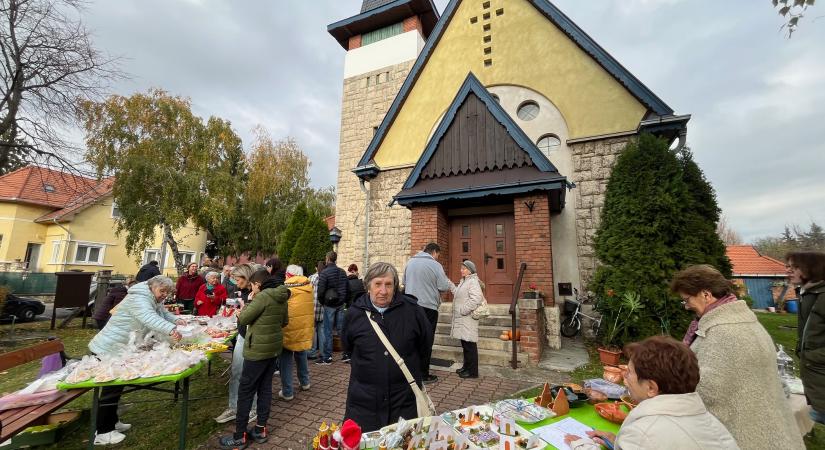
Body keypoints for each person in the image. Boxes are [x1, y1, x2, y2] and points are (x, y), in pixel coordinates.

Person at [671, 264, 804, 450]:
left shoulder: (723, 333)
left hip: (745, 438)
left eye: (687, 300)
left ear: (706, 295)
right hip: (771, 430)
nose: (686, 307)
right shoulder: (744, 321)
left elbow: (706, 393)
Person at [565, 336, 739, 450]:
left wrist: (581, 445)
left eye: (630, 372)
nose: (624, 376)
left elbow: (651, 439)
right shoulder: (710, 422)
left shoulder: (643, 435)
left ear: (651, 388)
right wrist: (617, 442)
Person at [88, 276, 185, 445]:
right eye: (162, 291)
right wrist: (171, 329)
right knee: (111, 388)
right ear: (152, 287)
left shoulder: (151, 298)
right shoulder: (139, 299)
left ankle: (112, 422)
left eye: (167, 292)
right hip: (109, 348)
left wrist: (176, 319)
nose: (164, 295)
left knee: (117, 385)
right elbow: (149, 318)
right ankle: (103, 431)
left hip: (120, 348)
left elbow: (162, 313)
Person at [342, 262, 433, 432]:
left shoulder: (413, 311)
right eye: (378, 284)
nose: (383, 291)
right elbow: (348, 347)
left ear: (395, 286)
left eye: (388, 284)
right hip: (364, 404)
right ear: (368, 285)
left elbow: (424, 348)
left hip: (404, 402)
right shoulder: (354, 314)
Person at [219, 269, 289, 449]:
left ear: (258, 284)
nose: (251, 288)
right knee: (265, 389)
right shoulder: (281, 296)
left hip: (257, 350)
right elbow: (284, 322)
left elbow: (244, 318)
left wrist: (247, 304)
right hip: (273, 349)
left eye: (252, 285)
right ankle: (260, 429)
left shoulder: (261, 297)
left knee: (246, 390)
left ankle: (239, 436)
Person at [403, 242, 453, 384]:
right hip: (429, 307)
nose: (437, 258)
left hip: (410, 307)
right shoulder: (435, 265)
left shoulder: (410, 262)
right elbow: (443, 286)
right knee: (426, 341)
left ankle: (410, 372)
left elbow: (404, 283)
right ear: (434, 252)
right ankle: (423, 374)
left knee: (412, 339)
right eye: (438, 255)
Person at [214, 264, 258, 425]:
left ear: (246, 278)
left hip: (251, 338)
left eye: (237, 279)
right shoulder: (244, 292)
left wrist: (243, 313)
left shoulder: (255, 294)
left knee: (249, 375)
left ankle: (252, 408)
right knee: (236, 371)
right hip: (241, 335)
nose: (234, 282)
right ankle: (233, 406)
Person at [787, 251, 825, 424]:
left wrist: (812, 357)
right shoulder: (806, 295)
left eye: (795, 267)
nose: (788, 271)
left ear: (812, 269)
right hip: (815, 381)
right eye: (788, 266)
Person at [278, 264, 314, 401]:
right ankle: (305, 382)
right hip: (304, 327)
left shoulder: (286, 289)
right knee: (301, 352)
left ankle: (287, 391)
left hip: (289, 328)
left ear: (288, 274)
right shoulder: (308, 286)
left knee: (285, 359)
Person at [451, 260, 483, 379]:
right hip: (463, 319)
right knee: (465, 344)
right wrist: (450, 285)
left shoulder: (473, 282)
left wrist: (464, 310)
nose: (461, 270)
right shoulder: (464, 281)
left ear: (470, 270)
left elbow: (476, 299)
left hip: (468, 318)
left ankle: (472, 372)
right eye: (461, 268)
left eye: (464, 268)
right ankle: (466, 367)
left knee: (470, 345)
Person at [316, 251, 349, 365]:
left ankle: (327, 357)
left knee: (327, 331)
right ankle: (346, 354)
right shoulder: (342, 272)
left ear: (327, 258)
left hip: (329, 304)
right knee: (341, 329)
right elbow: (347, 288)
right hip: (341, 304)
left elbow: (320, 291)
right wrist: (343, 300)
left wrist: (322, 302)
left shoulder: (325, 273)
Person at [343, 264, 365, 362]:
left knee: (349, 331)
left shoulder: (347, 283)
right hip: (361, 309)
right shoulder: (361, 282)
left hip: (350, 309)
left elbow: (346, 297)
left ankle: (347, 354)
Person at [308, 260, 326, 360]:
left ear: (316, 268)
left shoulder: (311, 278)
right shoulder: (326, 277)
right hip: (323, 307)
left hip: (312, 306)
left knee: (313, 331)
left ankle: (312, 351)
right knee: (322, 330)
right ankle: (323, 352)